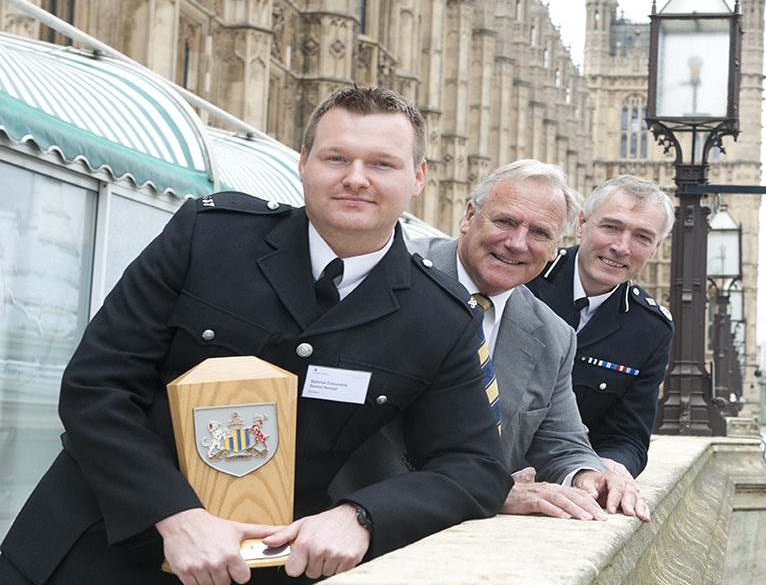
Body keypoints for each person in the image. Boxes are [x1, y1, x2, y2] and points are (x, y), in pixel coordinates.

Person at [0, 85, 513, 585]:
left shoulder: (440, 318)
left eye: (382, 163)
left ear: (417, 177)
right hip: (89, 546)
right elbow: (97, 385)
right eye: (336, 158)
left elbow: (474, 467)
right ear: (304, 163)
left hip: (263, 565)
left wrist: (362, 516)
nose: (356, 178)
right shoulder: (207, 237)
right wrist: (175, 514)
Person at [332, 161, 650, 522]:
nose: (517, 243)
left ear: (554, 247)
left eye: (540, 233)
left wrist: (588, 476)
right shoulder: (381, 272)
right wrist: (482, 488)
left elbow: (563, 443)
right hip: (340, 520)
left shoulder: (553, 335)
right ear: (469, 216)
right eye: (505, 222)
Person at [526, 175, 675, 479]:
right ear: (581, 223)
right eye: (611, 227)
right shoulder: (525, 277)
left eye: (642, 237)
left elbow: (627, 437)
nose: (621, 247)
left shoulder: (650, 329)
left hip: (563, 478)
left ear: (656, 247)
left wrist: (609, 468)